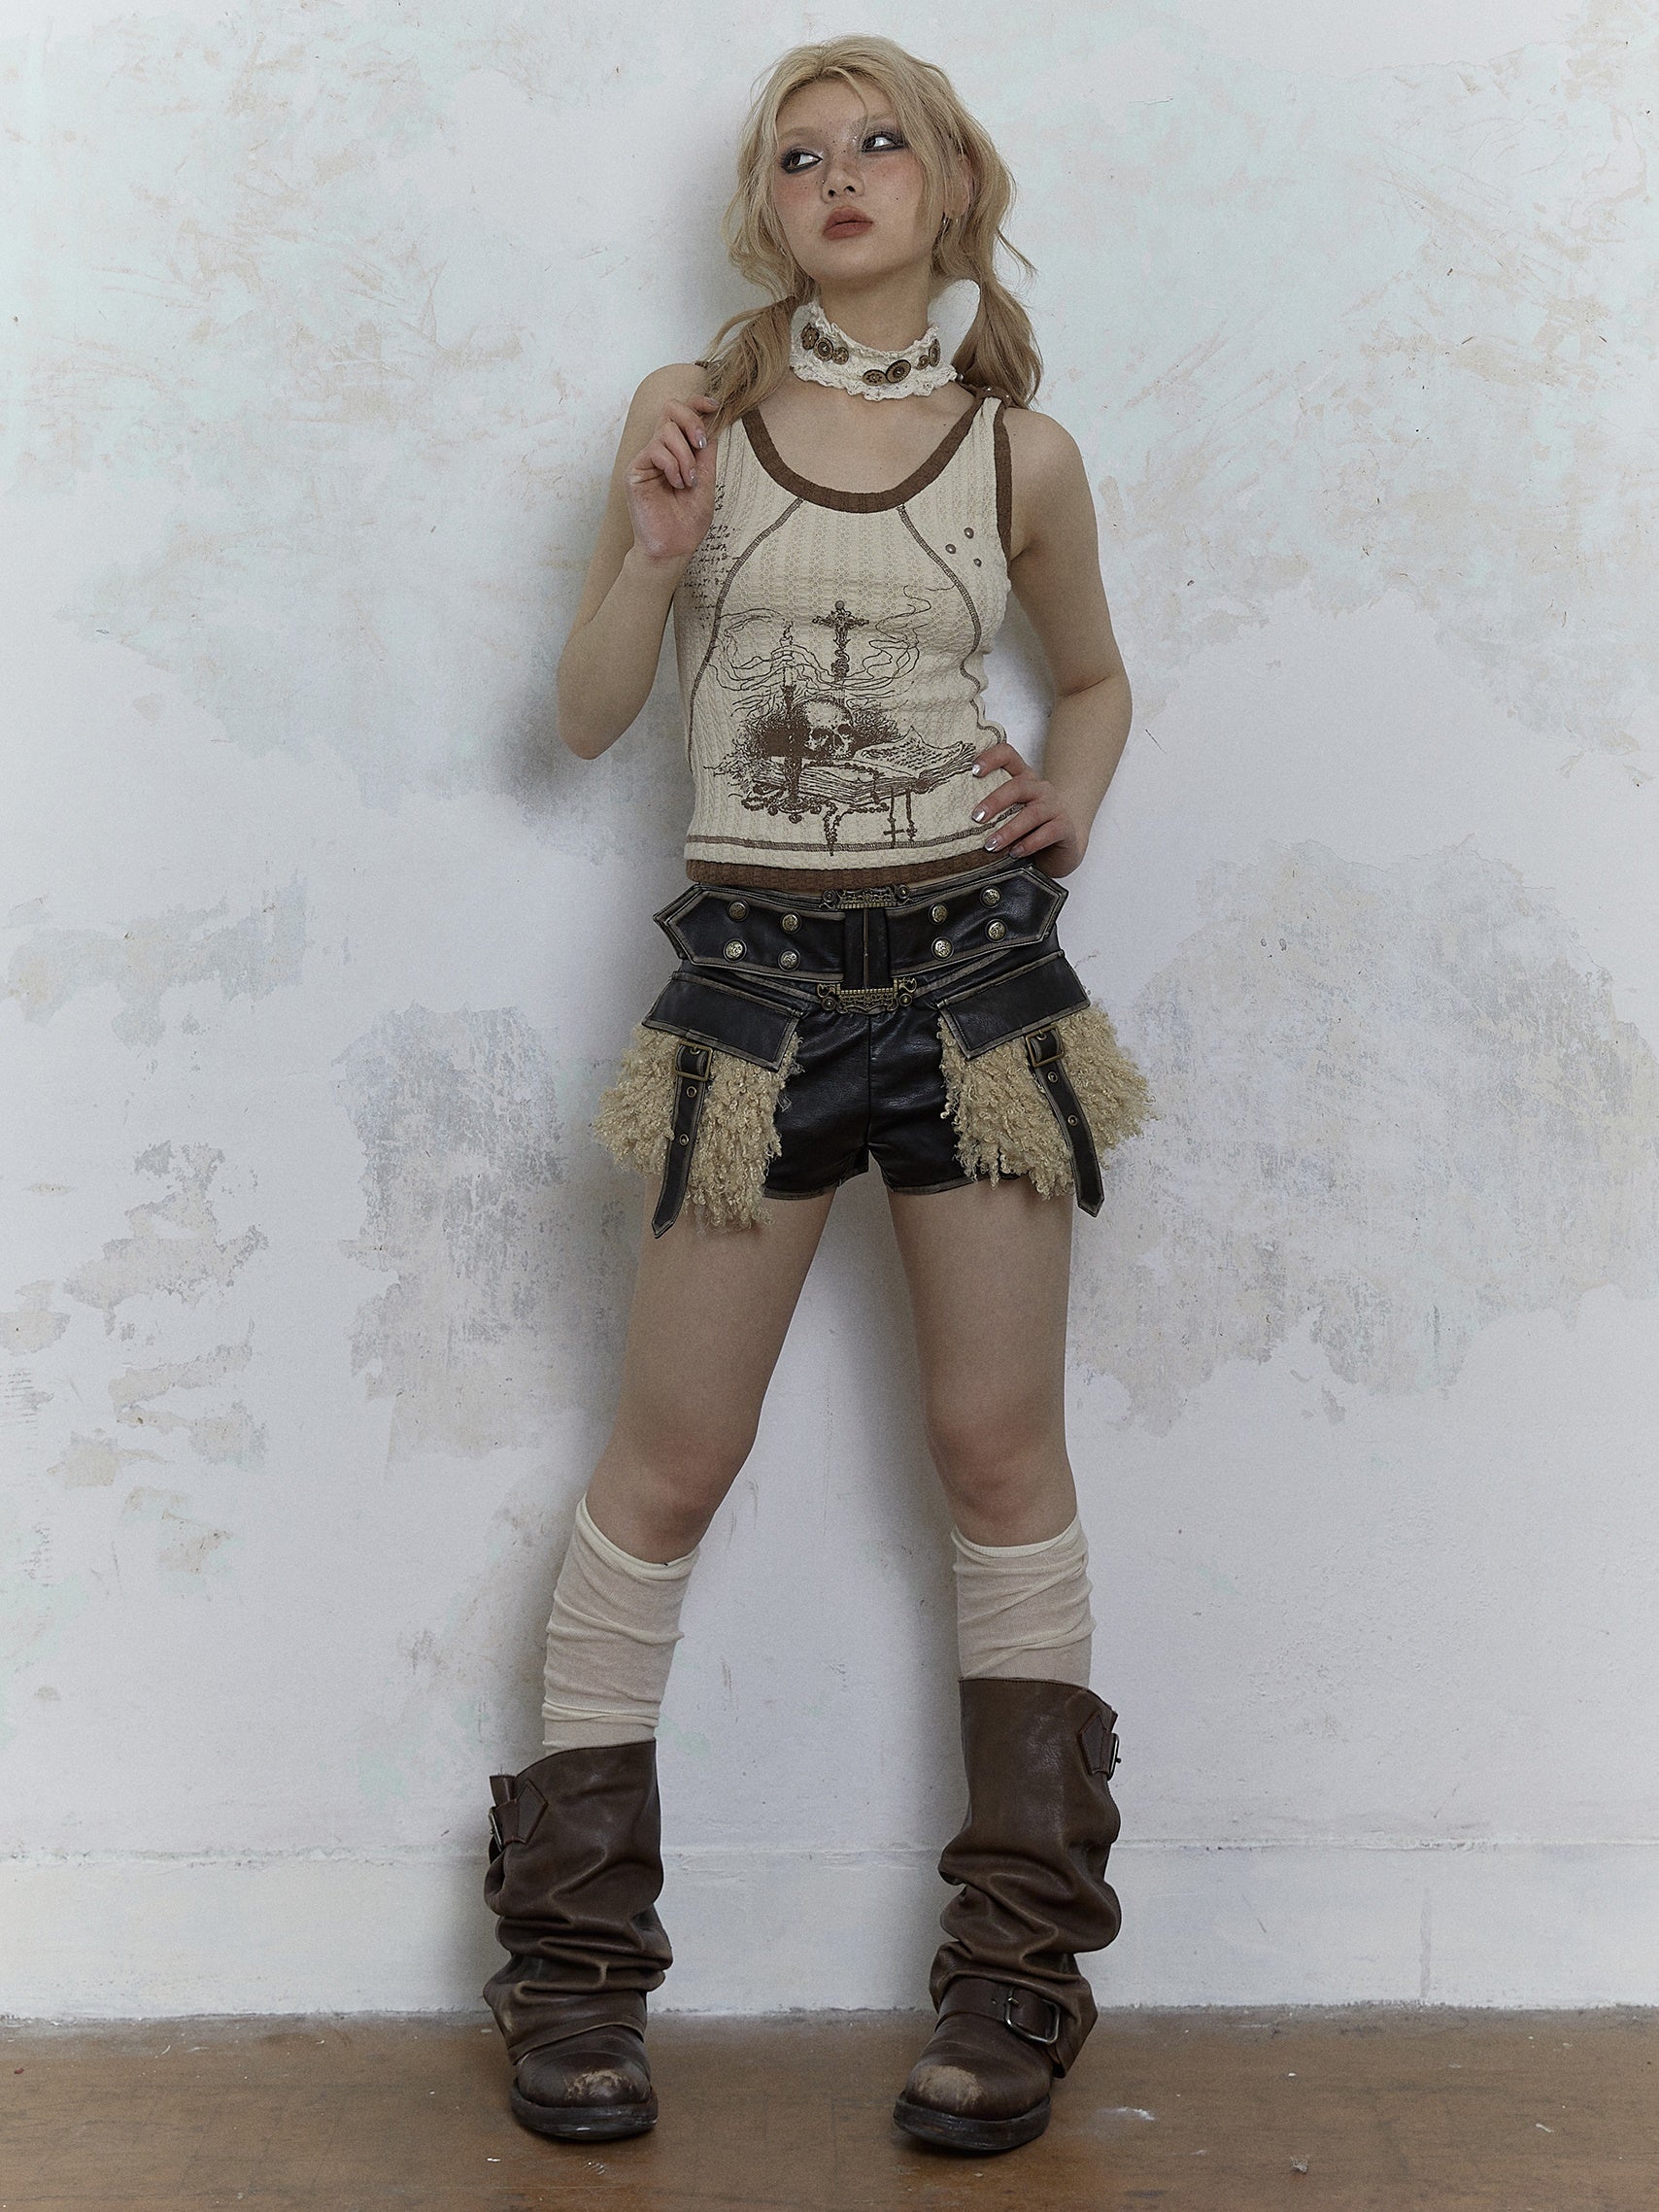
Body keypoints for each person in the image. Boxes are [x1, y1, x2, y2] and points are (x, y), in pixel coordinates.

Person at [479, 33, 1152, 2160]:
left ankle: (1017, 1968)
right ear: (762, 208)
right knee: (667, 1465)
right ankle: (574, 1971)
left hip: (980, 985)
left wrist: (1071, 800)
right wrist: (653, 549)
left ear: (949, 187)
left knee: (994, 1452)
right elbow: (586, 718)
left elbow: (1097, 677)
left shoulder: (1021, 453)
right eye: (798, 154)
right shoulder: (683, 419)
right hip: (750, 1000)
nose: (838, 174)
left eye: (878, 144)